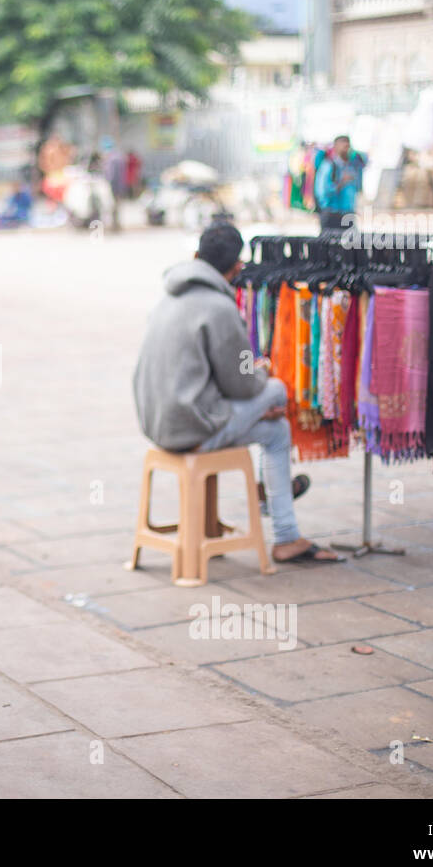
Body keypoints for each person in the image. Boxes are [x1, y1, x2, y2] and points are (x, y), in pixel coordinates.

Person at [132, 222, 344, 564]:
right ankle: (273, 508)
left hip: (157, 425)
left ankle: (285, 529)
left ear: (196, 256)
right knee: (275, 390)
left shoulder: (167, 297)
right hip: (191, 429)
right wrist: (261, 373)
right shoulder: (221, 308)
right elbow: (243, 383)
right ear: (237, 269)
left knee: (277, 431)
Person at [314, 135, 366, 232]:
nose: (346, 149)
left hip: (348, 214)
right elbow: (322, 192)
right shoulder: (328, 166)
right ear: (335, 147)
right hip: (332, 215)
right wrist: (341, 183)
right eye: (343, 145)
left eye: (347, 146)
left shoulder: (352, 167)